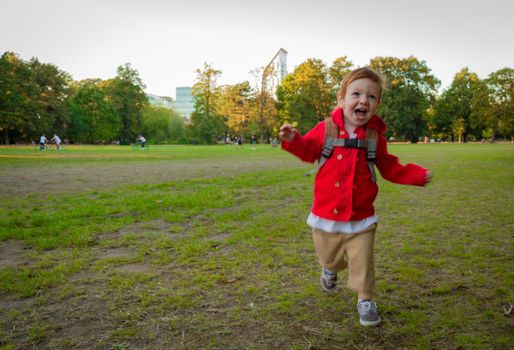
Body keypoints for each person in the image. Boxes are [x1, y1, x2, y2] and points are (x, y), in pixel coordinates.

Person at [279, 67, 431, 327]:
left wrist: (416, 175)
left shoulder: (374, 136)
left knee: (363, 261)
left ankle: (365, 300)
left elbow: (389, 166)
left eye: (371, 97)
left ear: (377, 104)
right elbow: (307, 150)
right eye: (356, 94)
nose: (363, 101)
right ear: (342, 98)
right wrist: (294, 140)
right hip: (325, 216)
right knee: (329, 257)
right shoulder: (326, 128)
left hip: (361, 218)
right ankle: (329, 268)